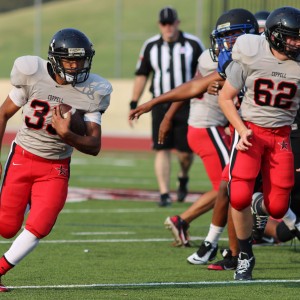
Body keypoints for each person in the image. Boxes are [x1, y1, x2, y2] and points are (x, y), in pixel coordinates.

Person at [0, 28, 112, 292]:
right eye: (69, 60)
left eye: (80, 60)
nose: (75, 67)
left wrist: (67, 134)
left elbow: (94, 145)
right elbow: (3, 114)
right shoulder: (31, 74)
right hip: (22, 156)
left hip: (56, 166)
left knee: (41, 225)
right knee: (6, 227)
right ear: (54, 59)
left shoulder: (93, 90)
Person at [218, 6, 300, 280]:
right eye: (292, 37)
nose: (297, 42)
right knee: (238, 194)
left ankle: (259, 206)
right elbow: (226, 98)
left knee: (277, 207)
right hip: (251, 132)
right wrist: (240, 130)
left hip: (281, 136)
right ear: (276, 35)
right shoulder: (251, 51)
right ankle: (244, 255)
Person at [129, 6, 205, 206]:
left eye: (171, 23)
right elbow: (142, 74)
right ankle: (164, 193)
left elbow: (204, 73)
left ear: (177, 23)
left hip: (187, 104)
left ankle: (183, 176)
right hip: (161, 103)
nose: (168, 27)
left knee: (185, 153)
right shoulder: (151, 46)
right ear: (159, 25)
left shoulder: (193, 44)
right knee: (161, 147)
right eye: (164, 23)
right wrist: (134, 102)